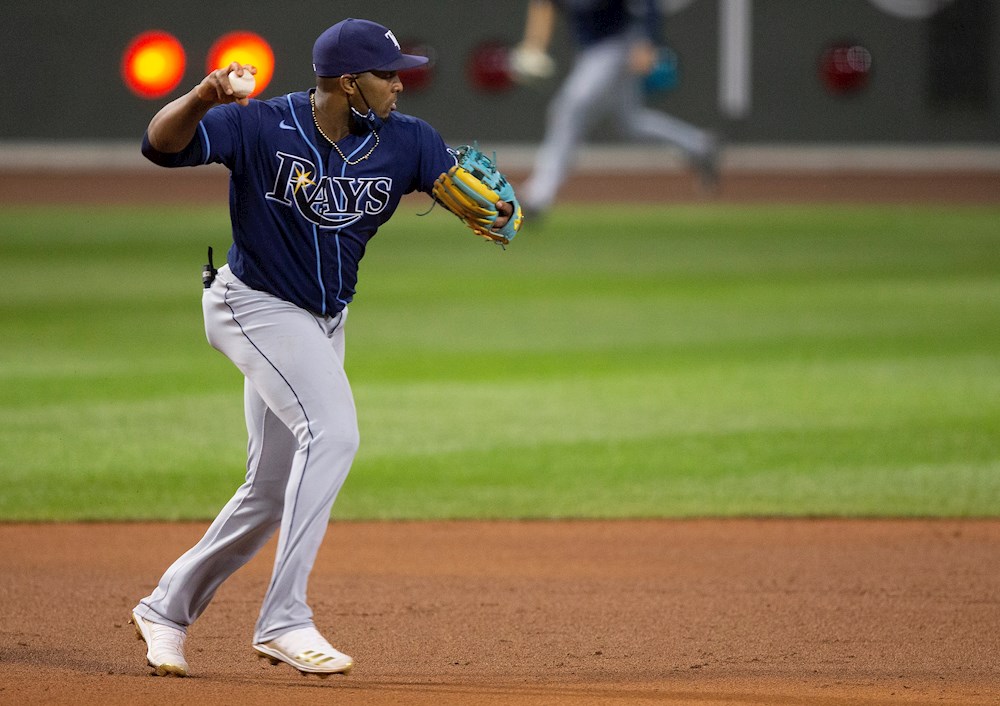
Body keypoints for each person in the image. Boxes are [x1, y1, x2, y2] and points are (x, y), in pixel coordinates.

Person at [129, 18, 516, 678]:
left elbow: (488, 207)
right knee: (332, 434)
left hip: (323, 325)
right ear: (345, 82)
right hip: (251, 305)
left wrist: (496, 208)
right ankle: (284, 619)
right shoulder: (260, 126)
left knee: (267, 492)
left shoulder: (408, 142)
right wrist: (202, 97)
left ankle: (165, 610)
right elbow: (159, 147)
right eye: (387, 74)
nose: (401, 83)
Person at [511, 0, 720, 215]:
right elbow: (543, 6)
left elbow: (648, 3)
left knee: (568, 110)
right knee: (632, 122)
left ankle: (538, 195)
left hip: (618, 44)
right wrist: (534, 46)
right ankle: (699, 144)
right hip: (591, 50)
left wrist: (648, 40)